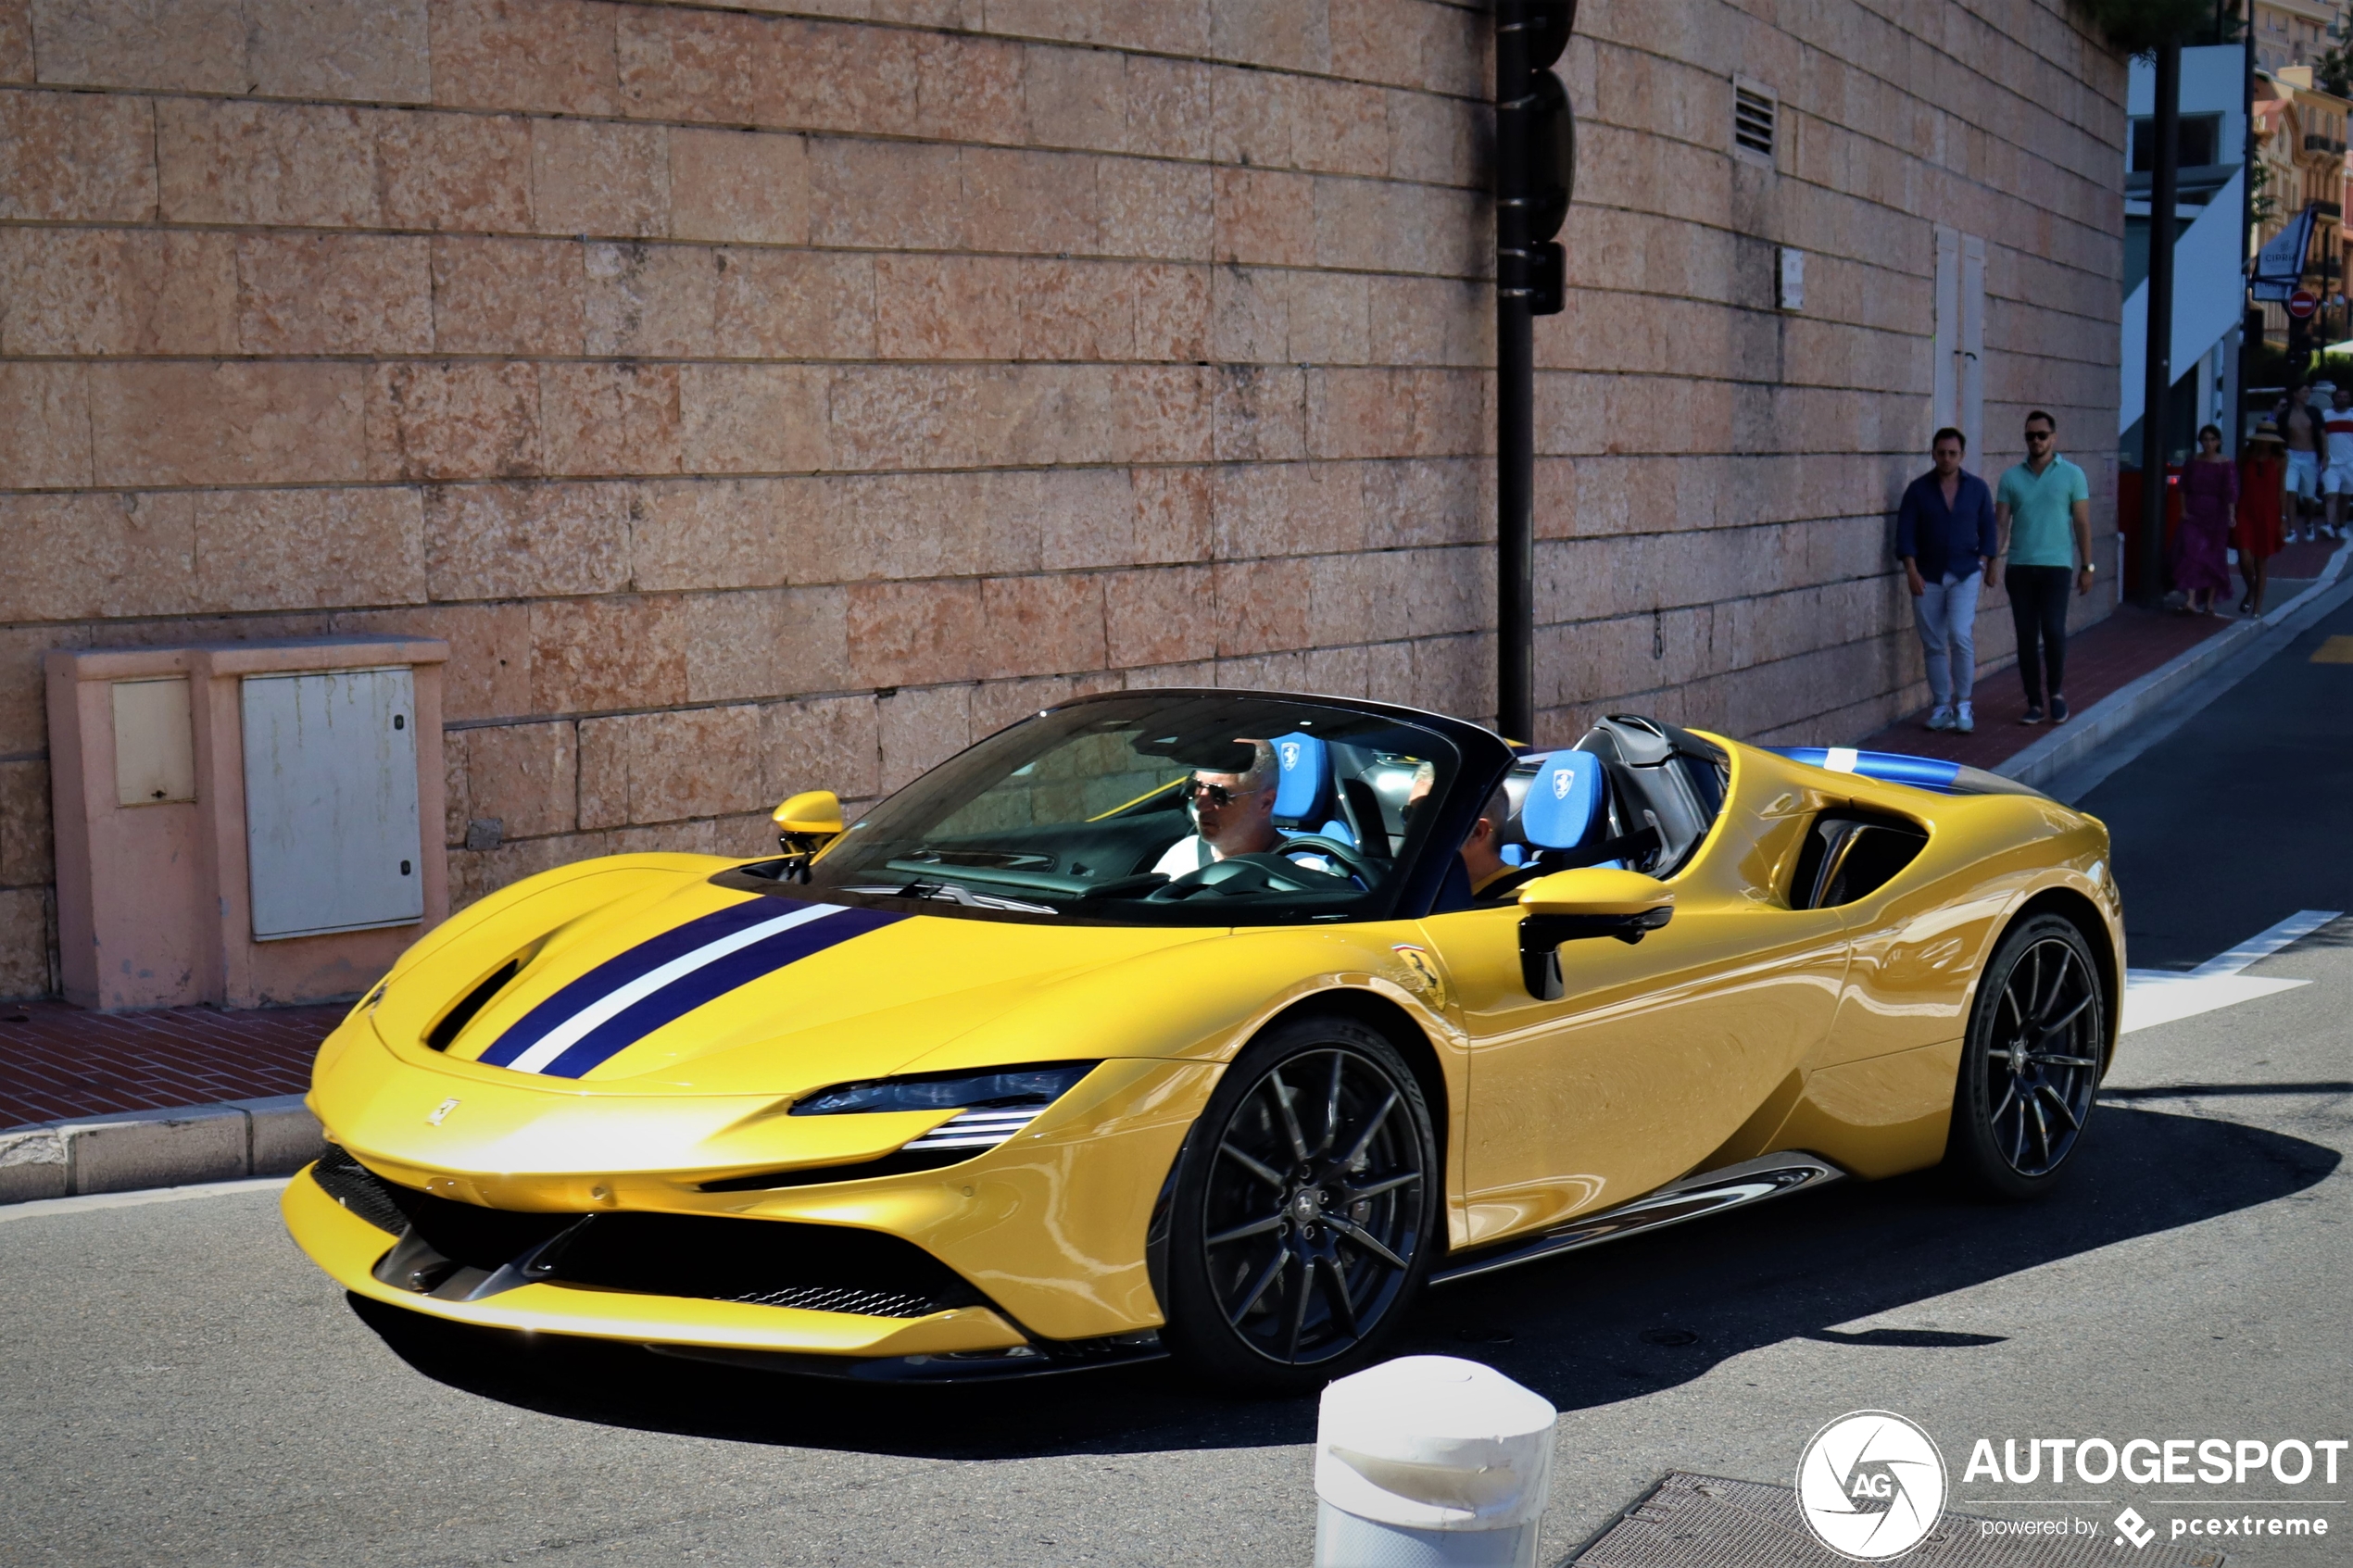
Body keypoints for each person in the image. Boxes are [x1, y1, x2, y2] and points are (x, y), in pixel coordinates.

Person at [1894, 427, 1999, 734]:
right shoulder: (1918, 490)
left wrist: (1986, 563)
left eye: (1952, 453)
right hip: (1927, 575)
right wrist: (1911, 571)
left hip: (1965, 572)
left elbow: (1989, 530)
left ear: (1962, 456)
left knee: (1960, 634)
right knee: (1933, 643)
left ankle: (1964, 704)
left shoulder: (1977, 489)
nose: (1946, 458)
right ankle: (1942, 705)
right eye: (1941, 453)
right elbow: (1905, 533)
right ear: (1933, 454)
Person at [1994, 410, 2095, 725]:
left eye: (2041, 435)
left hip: (2056, 566)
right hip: (2020, 567)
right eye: (2030, 436)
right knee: (2026, 636)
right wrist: (1991, 560)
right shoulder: (2010, 478)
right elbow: (2000, 524)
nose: (2035, 441)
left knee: (2053, 630)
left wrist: (2087, 566)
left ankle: (2056, 694)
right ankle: (2034, 702)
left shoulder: (2072, 475)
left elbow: (2081, 522)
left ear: (2053, 437)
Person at [1152, 742, 1283, 875]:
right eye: (1195, 787)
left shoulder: (1296, 869)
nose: (1200, 805)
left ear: (1265, 803)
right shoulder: (1184, 853)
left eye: (1219, 794)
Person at [2173, 424, 2236, 617]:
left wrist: (2231, 515)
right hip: (2194, 512)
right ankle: (2191, 600)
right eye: (2205, 439)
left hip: (2216, 514)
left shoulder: (2225, 464)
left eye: (2212, 439)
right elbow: (2183, 487)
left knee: (2214, 556)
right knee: (2191, 554)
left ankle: (2210, 603)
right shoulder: (2193, 462)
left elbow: (2230, 491)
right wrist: (2183, 509)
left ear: (2218, 442)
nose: (2208, 443)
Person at [2235, 420, 2288, 616]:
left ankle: (2257, 606)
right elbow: (2235, 480)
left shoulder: (2280, 459)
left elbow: (2281, 489)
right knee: (2244, 556)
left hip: (2268, 512)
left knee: (2261, 561)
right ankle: (2251, 588)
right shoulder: (2246, 456)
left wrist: (2283, 518)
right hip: (2246, 509)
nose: (2265, 444)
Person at [2278, 382, 2324, 541]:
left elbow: (2322, 434)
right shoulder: (2286, 414)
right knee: (2290, 492)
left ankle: (2309, 524)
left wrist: (2325, 456)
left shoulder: (2314, 412)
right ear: (2295, 394)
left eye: (2308, 392)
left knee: (2309, 497)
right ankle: (2292, 530)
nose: (2307, 395)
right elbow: (2280, 435)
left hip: (2310, 456)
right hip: (2291, 455)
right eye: (2304, 392)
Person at [2322, 385, 2353, 543]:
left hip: (2350, 463)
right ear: (2334, 398)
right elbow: (2321, 437)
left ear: (2349, 398)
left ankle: (2341, 525)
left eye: (2345, 396)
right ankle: (2329, 524)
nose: (2342, 399)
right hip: (2331, 463)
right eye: (2339, 396)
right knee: (2331, 495)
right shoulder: (2326, 415)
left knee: (2345, 497)